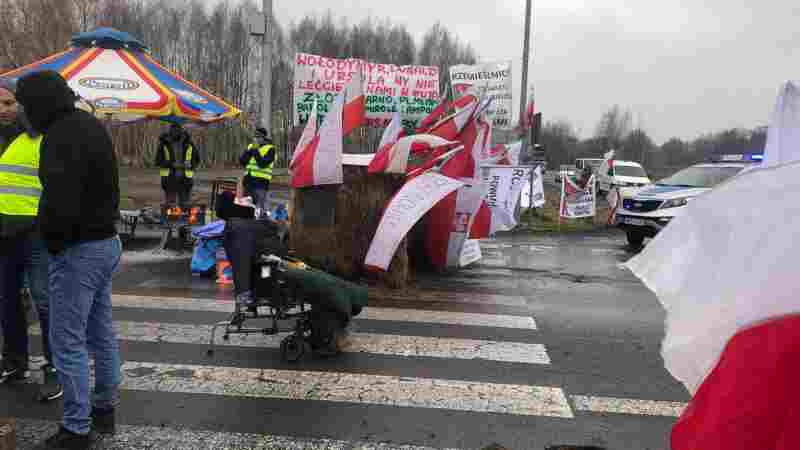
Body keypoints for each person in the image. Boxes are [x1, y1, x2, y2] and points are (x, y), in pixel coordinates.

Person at [15, 70, 121, 449]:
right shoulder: (88, 125)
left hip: (77, 249)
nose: (21, 113)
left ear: (39, 103)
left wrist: (54, 244)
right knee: (100, 331)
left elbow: (61, 201)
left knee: (67, 341)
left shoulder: (59, 137)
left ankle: (77, 428)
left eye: (24, 106)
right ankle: (105, 408)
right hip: (105, 242)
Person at [0, 78, 63, 402]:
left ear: (22, 105)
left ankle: (56, 367)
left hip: (36, 232)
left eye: (9, 103)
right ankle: (14, 362)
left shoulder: (40, 137)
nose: (3, 110)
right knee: (6, 301)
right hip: (3, 233)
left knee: (44, 301)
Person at [155, 123, 199, 206]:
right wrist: (172, 164)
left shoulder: (189, 143)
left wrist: (191, 165)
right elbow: (158, 161)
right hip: (169, 180)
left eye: (178, 129)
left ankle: (184, 217)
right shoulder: (164, 143)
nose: (176, 132)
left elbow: (197, 160)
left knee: (185, 207)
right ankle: (170, 218)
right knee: (170, 207)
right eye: (173, 130)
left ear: (182, 130)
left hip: (185, 180)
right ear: (170, 130)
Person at [238, 127, 275, 217]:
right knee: (246, 210)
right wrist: (248, 152)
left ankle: (262, 227)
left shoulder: (270, 149)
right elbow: (242, 162)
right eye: (255, 137)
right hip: (248, 182)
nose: (256, 139)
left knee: (260, 210)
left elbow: (263, 164)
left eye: (258, 137)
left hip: (261, 184)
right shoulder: (251, 146)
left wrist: (255, 151)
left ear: (264, 138)